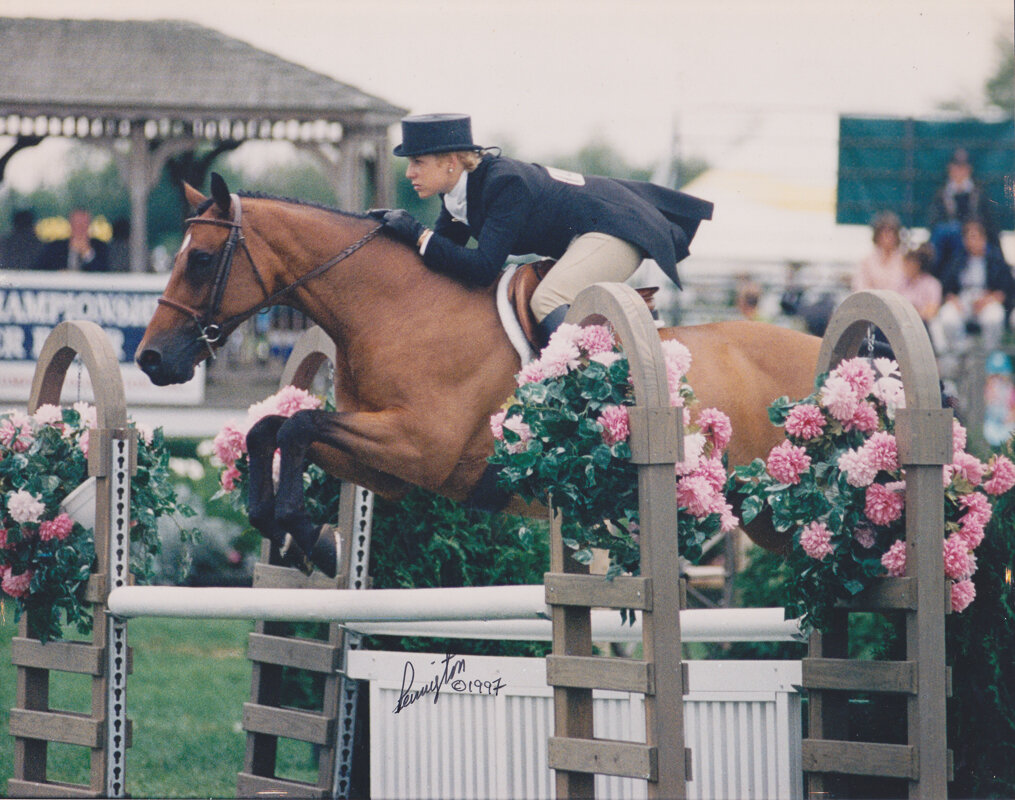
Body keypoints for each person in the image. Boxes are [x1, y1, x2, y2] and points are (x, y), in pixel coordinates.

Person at [372, 113, 713, 345]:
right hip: (590, 233)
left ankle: (588, 386)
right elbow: (444, 257)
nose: (409, 173)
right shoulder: (457, 194)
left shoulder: (503, 183)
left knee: (548, 298)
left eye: (417, 162)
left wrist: (417, 233)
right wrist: (399, 236)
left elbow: (481, 267)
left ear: (450, 163)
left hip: (615, 230)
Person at [930, 218, 1014, 356]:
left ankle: (989, 356)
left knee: (994, 318)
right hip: (963, 300)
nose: (972, 242)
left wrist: (988, 299)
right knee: (948, 318)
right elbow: (947, 288)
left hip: (987, 300)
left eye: (976, 237)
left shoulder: (995, 259)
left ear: (983, 238)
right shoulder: (957, 259)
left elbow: (1005, 289)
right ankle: (959, 355)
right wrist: (954, 301)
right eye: (969, 238)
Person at [927, 148, 1000, 276]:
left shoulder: (979, 193)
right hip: (948, 243)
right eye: (956, 167)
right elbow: (934, 223)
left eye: (963, 168)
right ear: (950, 169)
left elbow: (990, 222)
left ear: (969, 170)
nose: (959, 172)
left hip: (975, 237)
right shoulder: (942, 194)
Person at [31, 208, 110, 272]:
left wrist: (87, 253)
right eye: (76, 223)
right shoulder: (55, 247)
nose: (80, 228)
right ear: (70, 224)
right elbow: (38, 270)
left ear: (89, 225)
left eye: (84, 224)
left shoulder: (100, 247)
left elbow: (105, 273)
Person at [852, 211, 906, 292]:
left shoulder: (905, 260)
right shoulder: (866, 262)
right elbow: (859, 286)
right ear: (877, 235)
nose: (888, 237)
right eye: (884, 233)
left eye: (892, 232)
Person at [897, 242, 942, 323]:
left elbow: (931, 312)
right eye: (905, 261)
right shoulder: (899, 282)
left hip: (922, 326)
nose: (906, 265)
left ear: (919, 264)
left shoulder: (932, 284)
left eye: (910, 262)